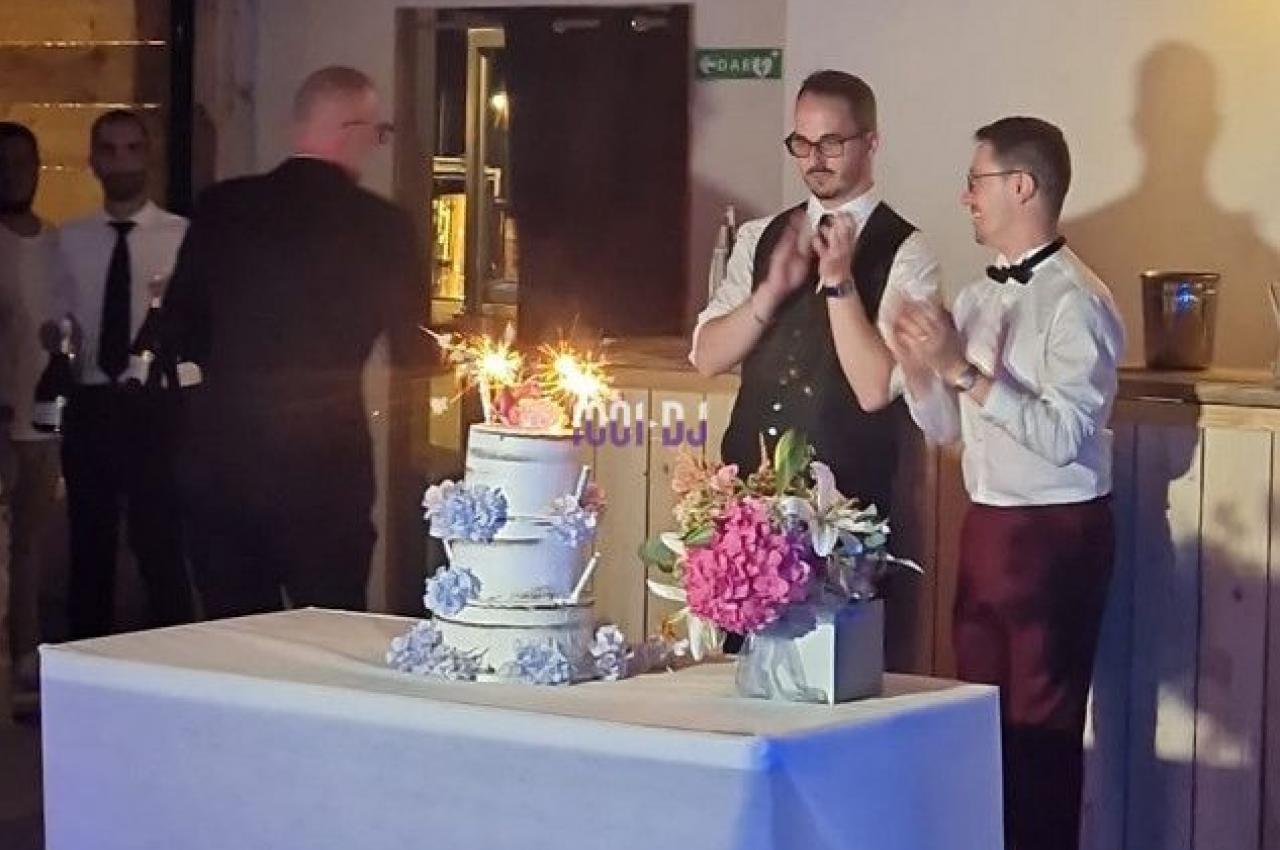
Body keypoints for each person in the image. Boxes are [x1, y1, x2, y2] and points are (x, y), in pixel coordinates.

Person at [890, 116, 1124, 850]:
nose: (965, 198)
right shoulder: (975, 297)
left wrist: (963, 369)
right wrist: (921, 367)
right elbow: (945, 430)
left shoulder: (1078, 302)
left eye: (976, 181)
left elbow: (1062, 439)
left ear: (1021, 186)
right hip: (987, 523)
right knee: (980, 723)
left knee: (1042, 738)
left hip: (1056, 532)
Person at [162, 66, 425, 617]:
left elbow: (178, 331)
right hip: (327, 469)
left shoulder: (222, 208)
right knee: (329, 639)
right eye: (378, 134)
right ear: (352, 131)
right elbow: (416, 355)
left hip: (222, 465)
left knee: (235, 643)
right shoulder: (384, 228)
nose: (375, 147)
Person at [690, 69, 942, 515]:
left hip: (849, 511)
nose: (814, 159)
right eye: (802, 145)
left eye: (830, 144)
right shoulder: (761, 236)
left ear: (871, 143)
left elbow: (874, 389)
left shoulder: (907, 250)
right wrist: (769, 292)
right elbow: (706, 358)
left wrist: (840, 282)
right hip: (749, 497)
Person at [53, 110, 193, 639]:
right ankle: (87, 664)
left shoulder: (181, 236)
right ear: (93, 161)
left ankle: (171, 660)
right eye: (109, 150)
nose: (121, 161)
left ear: (149, 156)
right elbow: (61, 316)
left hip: (155, 409)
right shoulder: (70, 240)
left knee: (159, 540)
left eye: (132, 148)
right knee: (88, 543)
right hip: (92, 402)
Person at [0, 122, 65, 713]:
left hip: (41, 420)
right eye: (4, 162)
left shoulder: (53, 242)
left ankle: (25, 651)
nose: (16, 172)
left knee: (30, 545)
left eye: (25, 160)